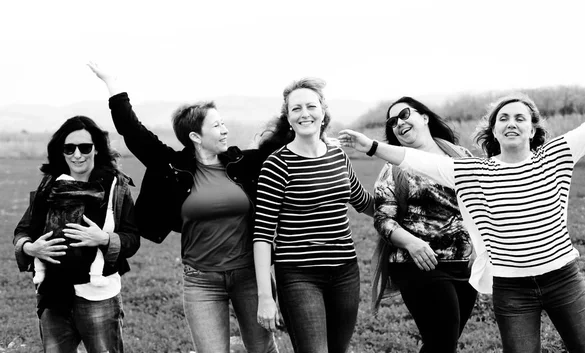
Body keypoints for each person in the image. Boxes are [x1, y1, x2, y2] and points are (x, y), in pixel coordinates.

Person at [338, 93, 585, 352]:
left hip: (558, 279)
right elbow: (416, 162)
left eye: (520, 118)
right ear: (493, 132)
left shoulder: (552, 157)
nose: (512, 123)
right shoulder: (473, 170)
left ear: (532, 129)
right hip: (500, 285)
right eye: (503, 118)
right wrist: (371, 146)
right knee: (443, 340)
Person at [88, 63, 278, 353]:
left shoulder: (241, 165)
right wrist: (112, 84)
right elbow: (133, 131)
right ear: (195, 136)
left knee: (263, 350)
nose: (225, 130)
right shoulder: (172, 167)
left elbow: (279, 148)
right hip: (201, 281)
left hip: (249, 276)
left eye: (223, 123)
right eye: (216, 126)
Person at [253, 77, 374, 353]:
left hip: (345, 272)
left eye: (311, 106)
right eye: (296, 109)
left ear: (323, 111)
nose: (304, 113)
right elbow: (262, 234)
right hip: (299, 276)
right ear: (288, 117)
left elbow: (363, 201)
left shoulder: (338, 155)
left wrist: (404, 209)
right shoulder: (277, 165)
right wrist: (265, 296)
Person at [13, 116, 140, 353]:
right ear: (61, 151)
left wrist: (103, 239)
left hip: (99, 297)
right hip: (53, 295)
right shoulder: (49, 186)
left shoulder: (115, 187)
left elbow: (132, 239)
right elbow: (22, 232)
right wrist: (31, 248)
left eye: (85, 147)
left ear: (97, 149)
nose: (77, 154)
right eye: (69, 148)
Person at [371, 97, 477, 352]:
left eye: (405, 114)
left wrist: (481, 245)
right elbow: (383, 219)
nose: (399, 123)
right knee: (443, 344)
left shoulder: (460, 155)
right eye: (392, 122)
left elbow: (480, 204)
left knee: (439, 344)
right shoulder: (394, 168)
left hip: (465, 264)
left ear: (425, 117)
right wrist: (413, 244)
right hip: (418, 265)